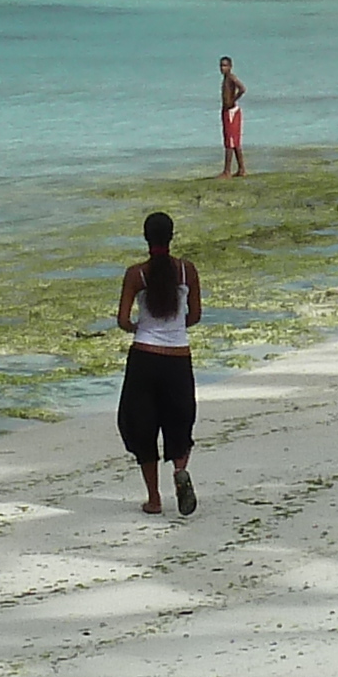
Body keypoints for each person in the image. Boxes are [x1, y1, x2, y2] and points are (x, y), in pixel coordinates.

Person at [116, 209, 201, 516]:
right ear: (172, 236)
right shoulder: (186, 271)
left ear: (146, 238)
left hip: (144, 359)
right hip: (178, 358)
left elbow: (123, 320)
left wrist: (140, 328)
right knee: (179, 421)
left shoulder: (136, 274)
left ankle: (154, 499)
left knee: (142, 426)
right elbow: (194, 316)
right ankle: (180, 471)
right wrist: (174, 328)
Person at [217, 55, 246, 178]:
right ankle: (241, 169)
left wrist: (233, 100)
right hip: (227, 111)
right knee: (232, 142)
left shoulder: (231, 78)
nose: (223, 68)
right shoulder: (225, 79)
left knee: (231, 142)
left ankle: (227, 171)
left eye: (225, 65)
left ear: (230, 66)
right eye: (221, 66)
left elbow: (242, 89)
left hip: (231, 112)